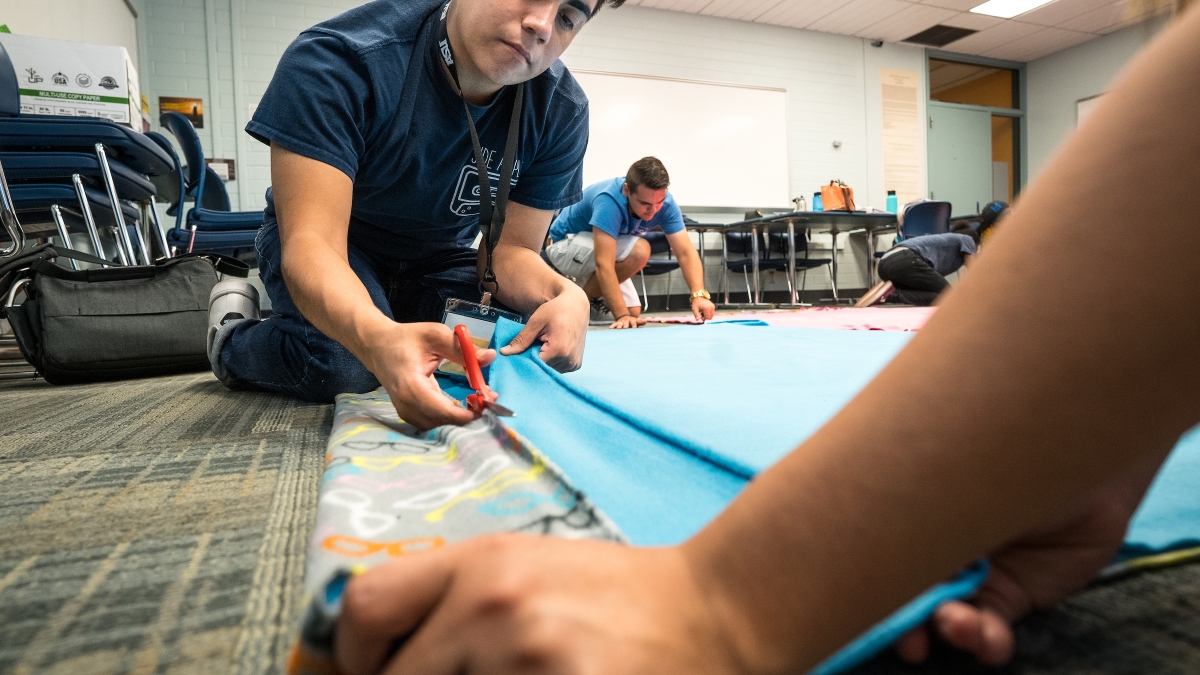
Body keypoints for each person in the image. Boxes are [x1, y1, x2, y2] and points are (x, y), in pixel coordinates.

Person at [328, 2, 1200, 673]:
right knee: (331, 351)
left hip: (485, 261)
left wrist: (721, 605)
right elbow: (579, 255)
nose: (539, 27)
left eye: (570, 14)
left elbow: (651, 254)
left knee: (506, 306)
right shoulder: (358, 60)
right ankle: (243, 320)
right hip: (506, 249)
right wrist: (589, 291)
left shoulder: (573, 122)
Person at [206, 0, 623, 429]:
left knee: (508, 346)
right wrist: (377, 338)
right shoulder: (338, 61)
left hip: (438, 254)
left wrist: (564, 293)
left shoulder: (562, 110)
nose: (541, 25)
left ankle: (387, 316)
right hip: (335, 241)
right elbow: (313, 245)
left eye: (568, 18)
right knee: (344, 364)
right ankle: (232, 337)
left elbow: (510, 252)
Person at [542, 157, 716, 328]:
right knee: (639, 251)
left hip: (596, 250)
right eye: (645, 203)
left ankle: (583, 301)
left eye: (659, 202)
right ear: (627, 190)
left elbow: (685, 252)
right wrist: (621, 315)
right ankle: (580, 303)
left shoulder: (666, 205)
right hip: (563, 245)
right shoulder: (609, 200)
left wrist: (699, 294)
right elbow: (604, 264)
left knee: (633, 312)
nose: (653, 210)